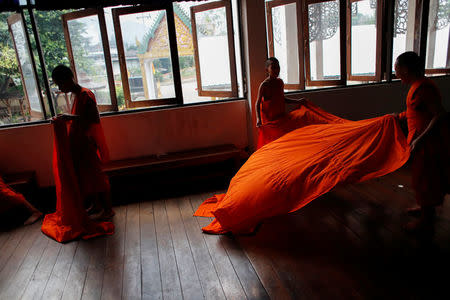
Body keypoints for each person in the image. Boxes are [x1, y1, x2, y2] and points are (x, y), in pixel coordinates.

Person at [392, 51, 449, 232]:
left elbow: (439, 115)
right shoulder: (416, 86)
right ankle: (424, 208)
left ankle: (427, 219)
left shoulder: (425, 88)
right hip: (419, 141)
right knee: (420, 178)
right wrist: (398, 117)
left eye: (397, 68)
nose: (396, 72)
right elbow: (416, 113)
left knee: (427, 180)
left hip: (428, 143)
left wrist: (421, 139)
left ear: (406, 69)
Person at [51, 65, 114, 220]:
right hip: (79, 144)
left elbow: (93, 119)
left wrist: (69, 118)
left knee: (96, 176)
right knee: (85, 176)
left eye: (60, 84)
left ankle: (107, 209)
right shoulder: (76, 96)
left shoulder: (86, 94)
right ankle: (96, 205)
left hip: (88, 143)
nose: (59, 88)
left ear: (68, 79)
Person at [255, 57, 306, 148]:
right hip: (269, 121)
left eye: (278, 67)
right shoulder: (264, 85)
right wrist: (258, 119)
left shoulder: (280, 82)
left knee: (283, 143)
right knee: (271, 145)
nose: (276, 70)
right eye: (273, 67)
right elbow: (257, 103)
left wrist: (298, 101)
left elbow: (282, 99)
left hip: (281, 118)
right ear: (267, 70)